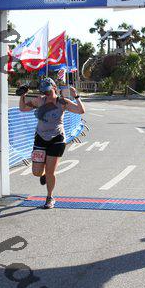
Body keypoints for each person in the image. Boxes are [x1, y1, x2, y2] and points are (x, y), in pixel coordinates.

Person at [19, 77, 85, 209]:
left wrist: (76, 96)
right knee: (36, 172)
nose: (46, 94)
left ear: (54, 88)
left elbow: (80, 110)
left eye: (48, 91)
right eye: (44, 91)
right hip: (40, 138)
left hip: (57, 139)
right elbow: (23, 108)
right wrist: (22, 96)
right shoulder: (40, 100)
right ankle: (43, 174)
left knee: (50, 172)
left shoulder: (62, 102)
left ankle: (50, 197)